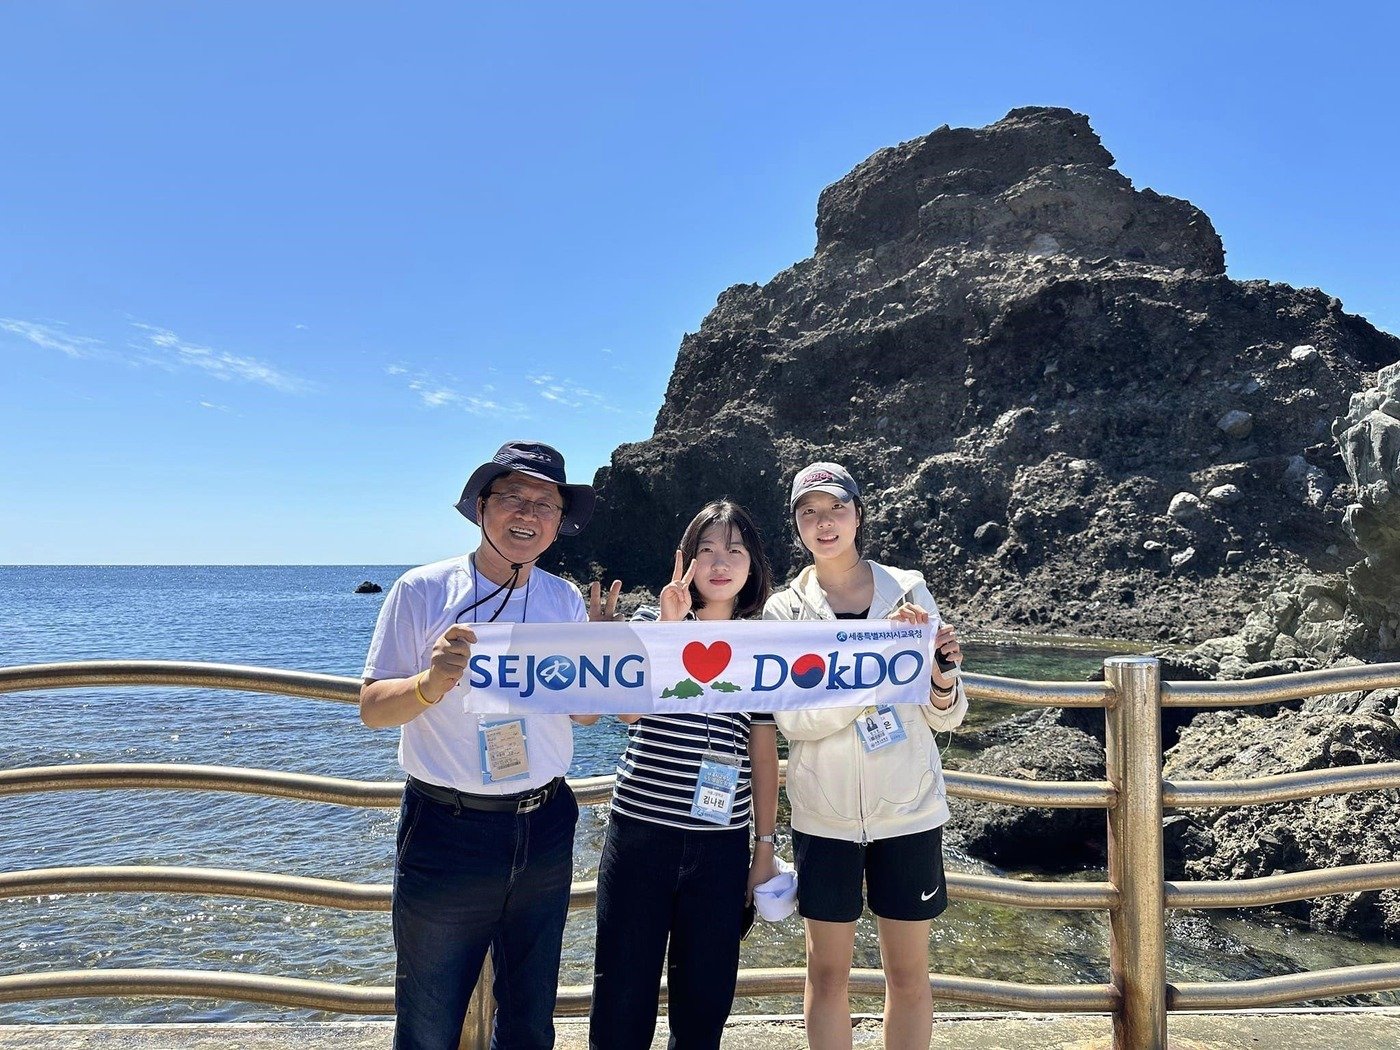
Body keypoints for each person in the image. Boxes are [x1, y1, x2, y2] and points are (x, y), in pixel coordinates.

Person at [360, 440, 602, 1050]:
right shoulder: (421, 590)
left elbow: (585, 715)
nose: (528, 512)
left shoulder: (564, 600)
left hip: (545, 822)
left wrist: (601, 657)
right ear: (481, 507)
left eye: (544, 503)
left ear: (557, 523)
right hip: (448, 828)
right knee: (429, 1019)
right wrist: (430, 681)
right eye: (513, 497)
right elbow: (372, 710)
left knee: (529, 1017)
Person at [764, 462, 967, 1050]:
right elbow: (794, 719)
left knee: (908, 975)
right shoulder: (786, 610)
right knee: (826, 975)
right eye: (809, 513)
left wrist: (941, 672)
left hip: (909, 810)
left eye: (836, 510)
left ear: (858, 514)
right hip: (822, 815)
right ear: (797, 525)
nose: (823, 523)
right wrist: (874, 683)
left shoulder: (907, 589)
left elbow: (946, 714)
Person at [589, 500, 781, 1050]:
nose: (719, 564)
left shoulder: (760, 643)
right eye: (706, 550)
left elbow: (763, 750)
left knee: (704, 1003)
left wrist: (763, 848)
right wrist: (669, 631)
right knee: (622, 997)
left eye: (734, 551)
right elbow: (627, 712)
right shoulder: (655, 623)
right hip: (640, 832)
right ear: (686, 559)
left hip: (721, 843)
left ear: (752, 566)